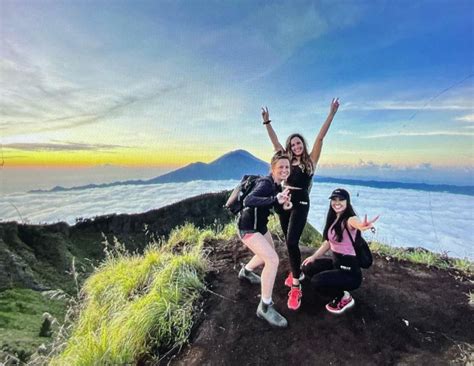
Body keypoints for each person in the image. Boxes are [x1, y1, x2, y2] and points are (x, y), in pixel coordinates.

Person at [261, 98, 340, 310]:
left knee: (292, 242)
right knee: (288, 240)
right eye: (293, 143)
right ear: (290, 146)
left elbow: (321, 137)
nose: (296, 146)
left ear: (303, 145)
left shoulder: (311, 160)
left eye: (299, 143)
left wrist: (331, 114)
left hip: (301, 202)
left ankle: (296, 285)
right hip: (284, 201)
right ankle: (297, 271)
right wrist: (267, 123)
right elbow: (275, 143)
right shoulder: (286, 158)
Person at [301, 188, 379, 314]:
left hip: (350, 273)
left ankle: (344, 297)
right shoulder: (334, 218)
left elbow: (355, 223)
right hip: (336, 264)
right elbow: (328, 242)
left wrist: (362, 226)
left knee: (317, 282)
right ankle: (334, 280)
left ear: (347, 202)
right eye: (334, 199)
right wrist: (314, 257)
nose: (337, 202)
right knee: (307, 267)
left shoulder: (349, 219)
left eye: (341, 199)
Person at [237, 152, 292, 327]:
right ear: (273, 168)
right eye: (281, 167)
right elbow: (249, 200)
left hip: (259, 227)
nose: (284, 170)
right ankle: (265, 307)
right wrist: (275, 198)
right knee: (272, 259)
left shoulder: (276, 185)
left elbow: (270, 204)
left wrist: (282, 203)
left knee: (268, 253)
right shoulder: (266, 183)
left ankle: (246, 271)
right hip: (248, 228)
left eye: (287, 167)